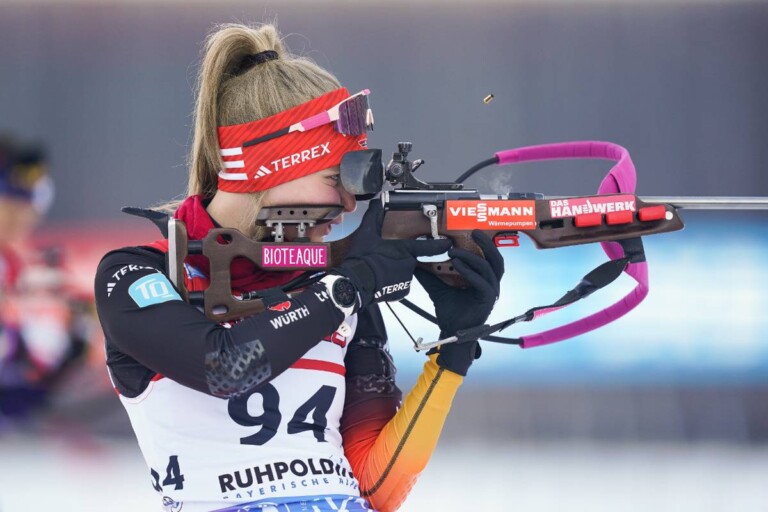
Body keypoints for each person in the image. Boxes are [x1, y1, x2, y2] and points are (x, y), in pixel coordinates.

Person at [94, 23, 504, 512]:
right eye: (335, 178)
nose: (349, 203)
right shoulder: (139, 274)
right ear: (270, 169)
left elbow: (376, 487)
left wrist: (454, 352)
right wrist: (349, 285)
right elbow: (224, 367)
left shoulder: (336, 287)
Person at [0, 135, 88, 426]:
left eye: (27, 208)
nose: (20, 218)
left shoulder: (15, 266)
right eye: (9, 206)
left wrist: (73, 344)